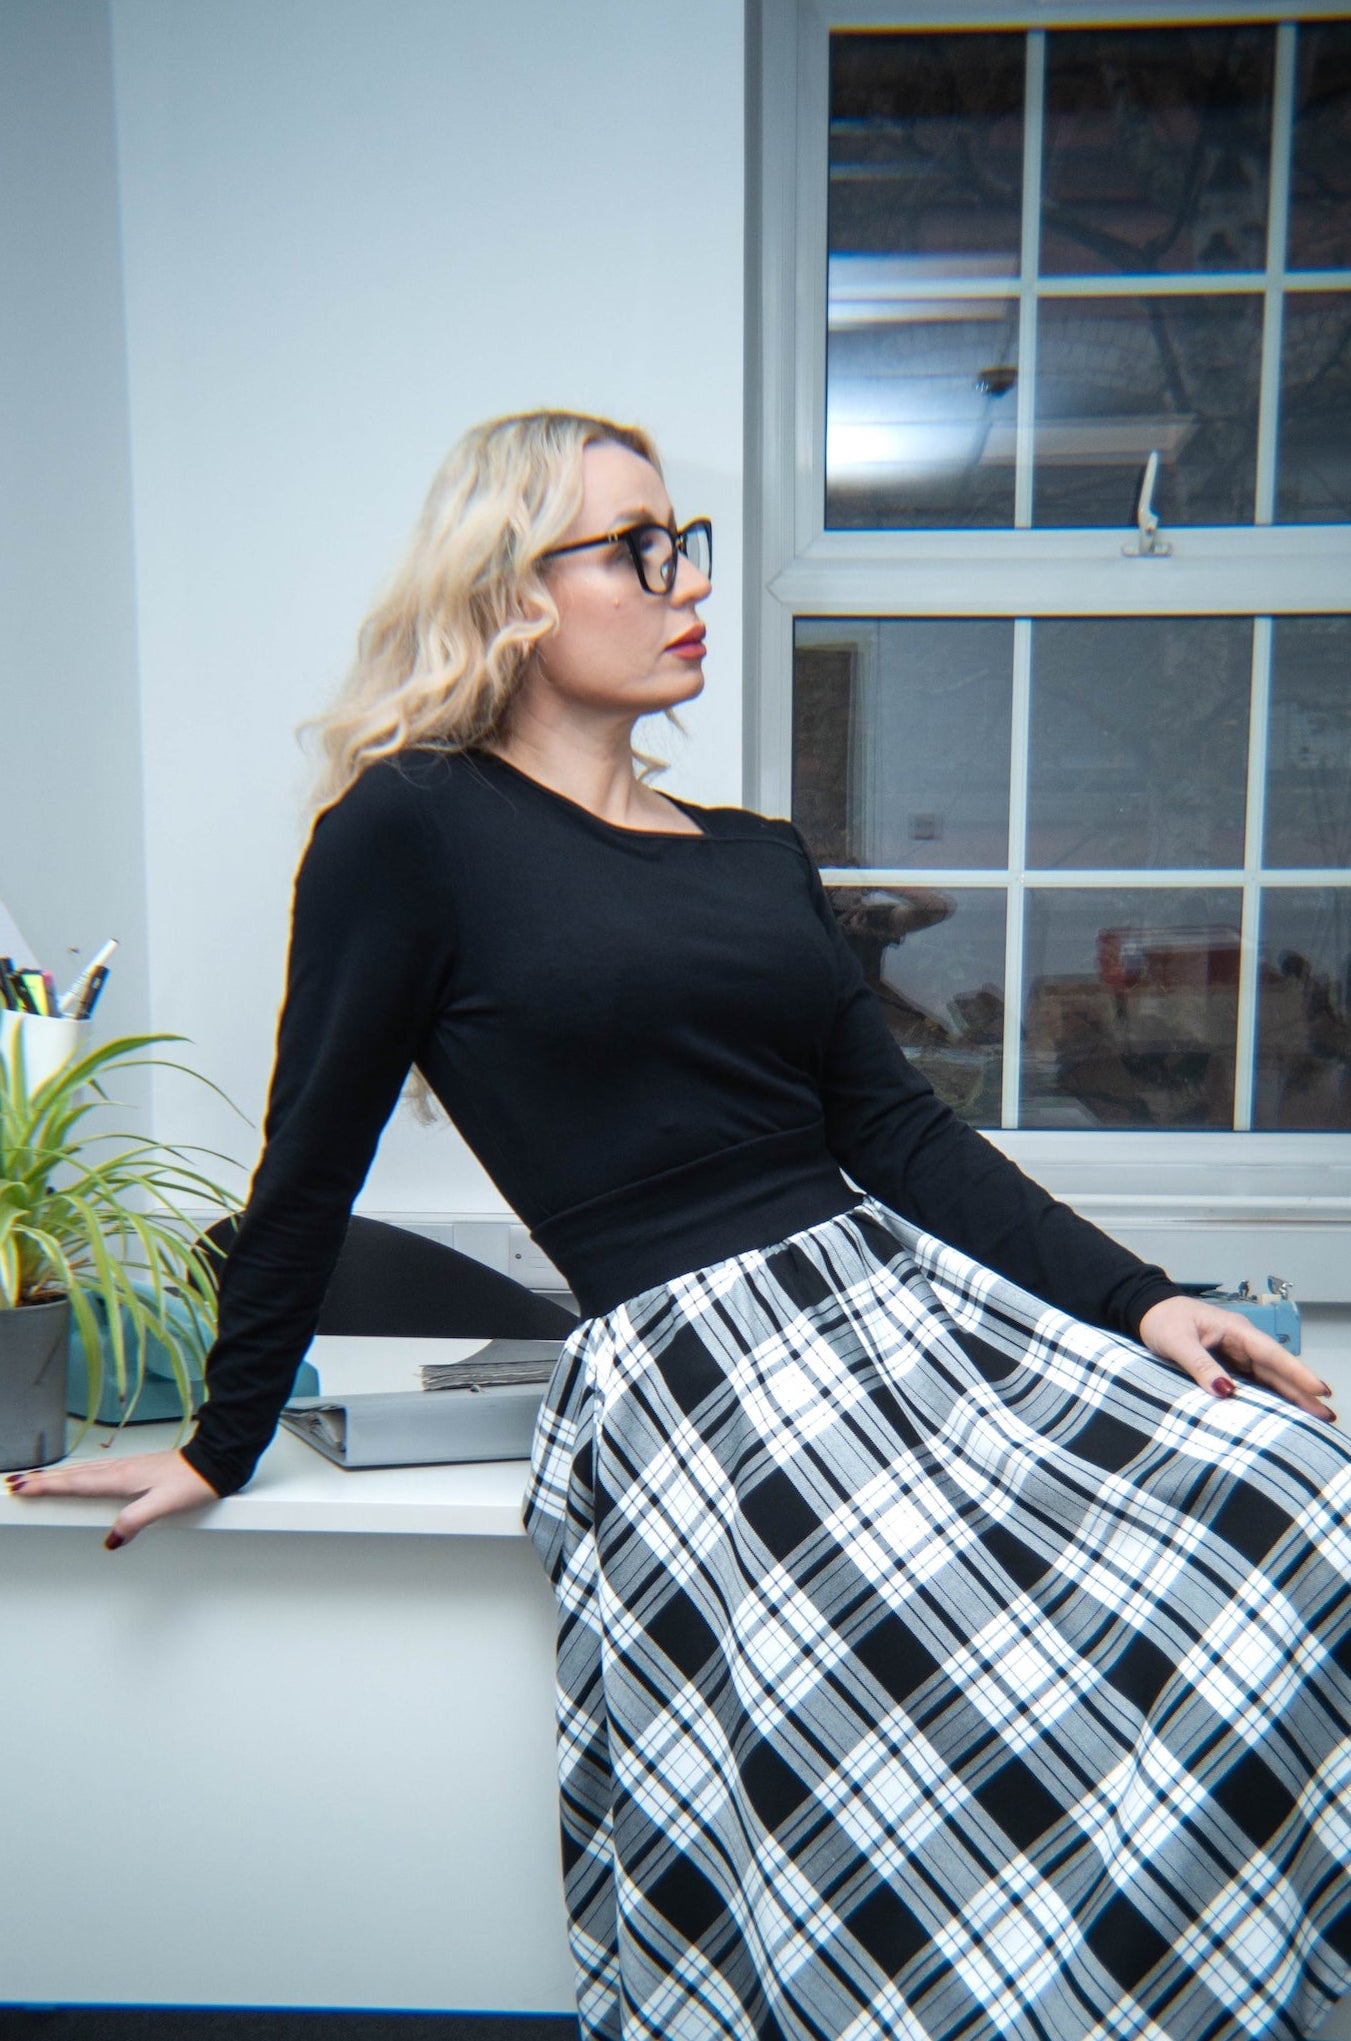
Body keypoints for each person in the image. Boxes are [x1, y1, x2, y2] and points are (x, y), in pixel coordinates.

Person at [11, 410, 1351, 2041]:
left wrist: (1144, 1299)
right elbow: (310, 1161)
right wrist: (224, 1443)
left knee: (1302, 1505)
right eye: (638, 550)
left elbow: (901, 1133)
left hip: (898, 1317)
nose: (688, 581)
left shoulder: (758, 857)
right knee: (907, 1779)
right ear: (513, 590)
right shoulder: (409, 828)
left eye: (685, 544)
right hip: (702, 1373)